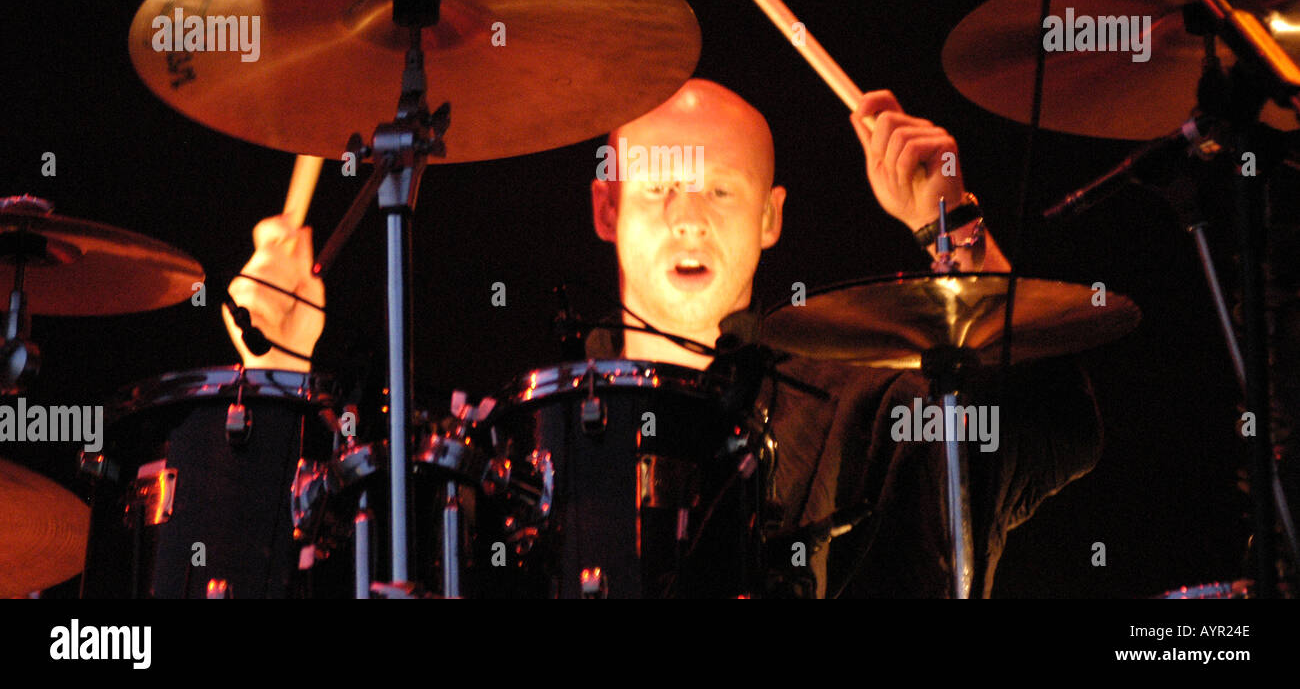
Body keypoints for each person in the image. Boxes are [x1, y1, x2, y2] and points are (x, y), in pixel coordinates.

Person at [226, 78, 1102, 597]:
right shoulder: (516, 442)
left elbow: (1054, 424)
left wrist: (954, 228)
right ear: (606, 208)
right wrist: (279, 372)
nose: (689, 219)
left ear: (768, 218)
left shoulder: (868, 402)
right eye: (658, 191)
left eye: (720, 192)